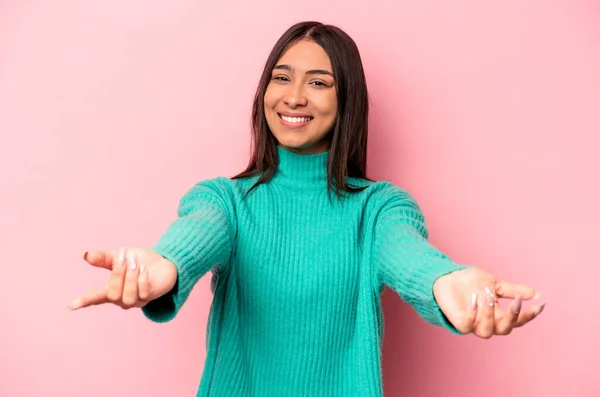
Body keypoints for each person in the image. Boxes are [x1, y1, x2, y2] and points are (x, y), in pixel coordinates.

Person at [69, 21, 545, 396]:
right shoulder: (227, 200)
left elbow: (410, 256)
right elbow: (195, 234)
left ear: (346, 100)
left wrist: (445, 283)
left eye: (318, 82)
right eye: (282, 78)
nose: (294, 97)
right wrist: (162, 267)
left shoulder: (378, 208)